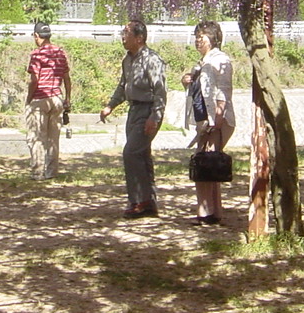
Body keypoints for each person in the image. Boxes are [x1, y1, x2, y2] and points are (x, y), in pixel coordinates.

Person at [99, 21, 167, 218]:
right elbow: (123, 86)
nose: (122, 36)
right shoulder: (127, 60)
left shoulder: (152, 60)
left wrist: (155, 117)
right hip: (134, 110)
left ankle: (138, 200)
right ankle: (149, 202)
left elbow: (160, 92)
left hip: (148, 111)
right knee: (142, 155)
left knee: (131, 153)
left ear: (139, 38)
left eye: (126, 33)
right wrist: (110, 106)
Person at [181, 21, 234, 226]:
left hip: (216, 120)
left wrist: (218, 119)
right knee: (209, 164)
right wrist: (187, 80)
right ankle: (214, 211)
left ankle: (206, 213)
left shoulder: (221, 60)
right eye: (196, 36)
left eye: (201, 37)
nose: (197, 40)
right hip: (205, 119)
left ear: (212, 39)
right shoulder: (202, 62)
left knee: (205, 164)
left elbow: (223, 90)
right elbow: (200, 90)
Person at [25, 21, 72, 180]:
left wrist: (29, 99)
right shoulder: (60, 53)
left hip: (40, 98)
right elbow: (67, 78)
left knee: (37, 137)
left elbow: (34, 80)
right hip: (57, 98)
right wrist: (67, 99)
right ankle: (52, 172)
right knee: (53, 138)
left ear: (37, 36)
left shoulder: (37, 54)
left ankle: (38, 172)